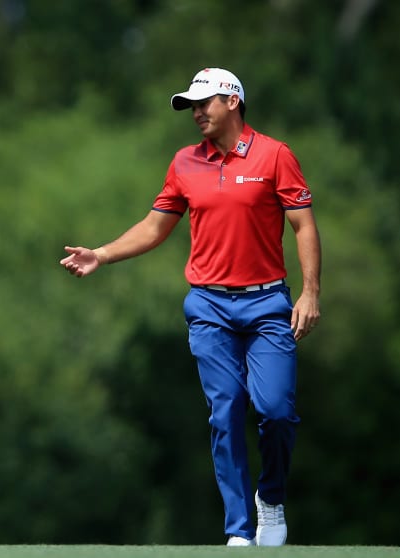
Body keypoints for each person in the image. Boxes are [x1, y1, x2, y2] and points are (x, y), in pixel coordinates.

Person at [59, 68, 321, 547]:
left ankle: (271, 498)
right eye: (191, 106)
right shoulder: (185, 162)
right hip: (208, 306)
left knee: (276, 411)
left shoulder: (274, 155)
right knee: (225, 412)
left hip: (267, 304)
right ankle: (239, 530)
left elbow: (303, 225)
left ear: (233, 101)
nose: (196, 112)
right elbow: (154, 227)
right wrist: (101, 254)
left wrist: (310, 292)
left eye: (205, 103)